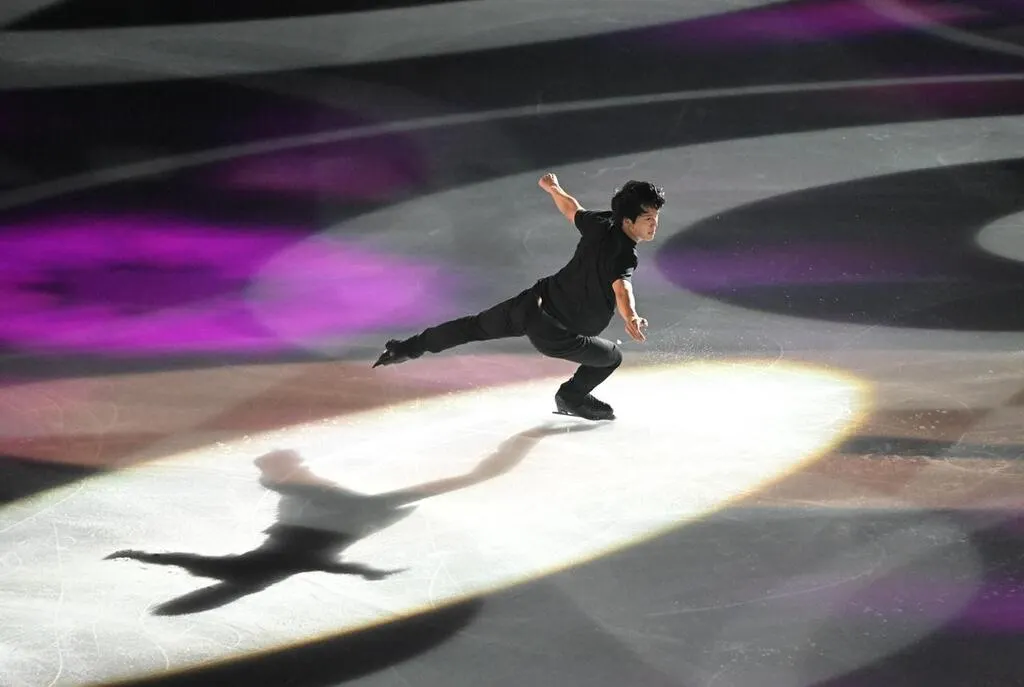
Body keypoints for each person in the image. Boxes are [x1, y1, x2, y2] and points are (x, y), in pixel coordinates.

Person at [373, 173, 665, 421]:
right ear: (628, 221)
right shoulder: (624, 254)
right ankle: (571, 396)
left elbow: (571, 209)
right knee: (612, 357)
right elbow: (621, 287)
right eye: (648, 218)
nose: (654, 224)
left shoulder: (601, 222)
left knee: (474, 327)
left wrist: (554, 188)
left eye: (656, 217)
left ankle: (407, 347)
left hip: (531, 305)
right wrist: (631, 316)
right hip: (558, 334)